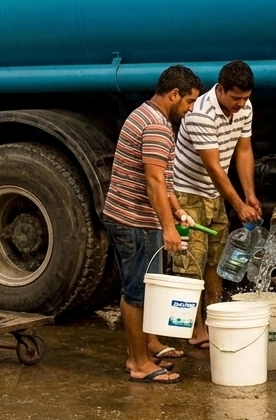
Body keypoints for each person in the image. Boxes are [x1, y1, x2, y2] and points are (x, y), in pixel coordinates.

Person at [102, 65, 203, 383]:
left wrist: (175, 209)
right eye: (188, 102)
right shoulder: (158, 126)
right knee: (137, 292)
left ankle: (148, 345)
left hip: (132, 217)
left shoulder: (144, 115)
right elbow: (154, 181)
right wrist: (169, 228)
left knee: (142, 287)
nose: (188, 110)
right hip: (135, 220)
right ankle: (139, 362)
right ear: (174, 94)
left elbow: (164, 181)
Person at [172, 60, 260, 349]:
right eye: (235, 98)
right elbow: (213, 166)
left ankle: (213, 321)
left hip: (214, 194)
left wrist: (250, 196)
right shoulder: (200, 112)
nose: (241, 104)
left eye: (245, 98)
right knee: (191, 265)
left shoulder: (244, 108)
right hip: (188, 194)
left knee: (215, 264)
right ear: (220, 89)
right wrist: (237, 204)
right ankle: (194, 329)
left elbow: (243, 150)